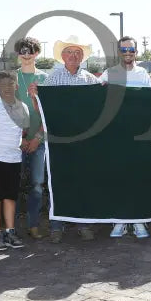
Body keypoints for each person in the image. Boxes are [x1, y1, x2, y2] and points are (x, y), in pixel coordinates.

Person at [40, 36, 98, 241]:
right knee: (58, 180)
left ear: (82, 57)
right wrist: (34, 95)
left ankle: (84, 224)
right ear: (63, 56)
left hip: (84, 140)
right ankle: (57, 226)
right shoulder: (53, 78)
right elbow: (43, 106)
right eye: (70, 52)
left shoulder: (91, 80)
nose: (73, 56)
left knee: (83, 181)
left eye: (77, 53)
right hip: (59, 140)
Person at [102, 36, 151, 239]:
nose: (127, 53)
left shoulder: (143, 75)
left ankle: (139, 220)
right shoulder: (108, 74)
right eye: (123, 50)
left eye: (131, 49)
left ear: (136, 52)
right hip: (115, 136)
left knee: (138, 178)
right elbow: (95, 100)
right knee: (118, 178)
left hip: (139, 135)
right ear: (118, 52)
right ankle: (120, 220)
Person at [0, 71, 29, 250]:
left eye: (11, 84)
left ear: (16, 86)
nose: (7, 88)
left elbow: (22, 131)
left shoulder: (22, 107)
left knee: (10, 197)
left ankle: (10, 231)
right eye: (3, 85)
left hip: (14, 159)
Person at [14, 36, 48, 239]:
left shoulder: (45, 78)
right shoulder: (10, 78)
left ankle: (33, 225)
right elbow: (5, 112)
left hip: (39, 140)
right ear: (18, 54)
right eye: (22, 51)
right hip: (16, 141)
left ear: (37, 53)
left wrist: (36, 138)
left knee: (37, 185)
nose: (26, 55)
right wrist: (21, 138)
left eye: (30, 51)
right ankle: (13, 227)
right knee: (13, 185)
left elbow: (50, 114)